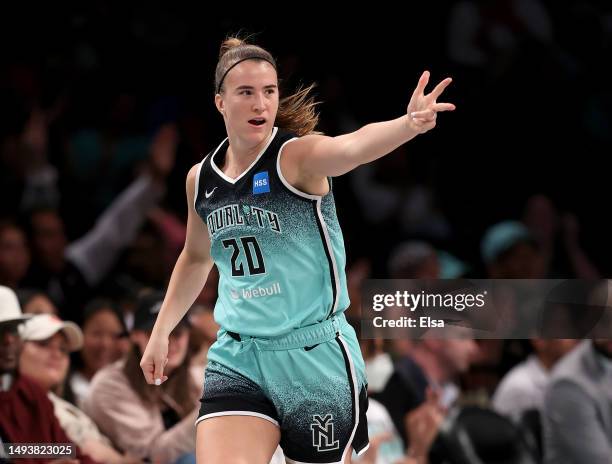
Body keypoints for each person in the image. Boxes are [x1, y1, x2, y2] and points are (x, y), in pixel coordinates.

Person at [140, 36, 455, 464]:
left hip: (314, 354)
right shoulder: (201, 179)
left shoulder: (295, 157)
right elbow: (197, 257)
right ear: (220, 102)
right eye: (246, 93)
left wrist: (407, 124)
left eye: (269, 92)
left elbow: (354, 146)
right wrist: (161, 331)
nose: (260, 104)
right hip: (240, 353)